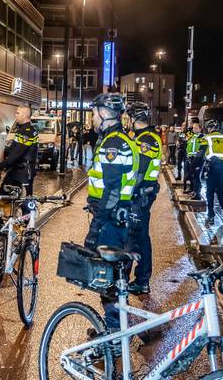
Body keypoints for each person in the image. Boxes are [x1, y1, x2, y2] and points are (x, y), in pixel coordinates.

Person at [83, 93, 139, 331]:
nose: (93, 118)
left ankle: (114, 335)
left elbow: (113, 191)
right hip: (118, 217)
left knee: (108, 280)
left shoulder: (113, 144)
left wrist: (95, 228)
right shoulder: (119, 139)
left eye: (94, 113)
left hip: (110, 222)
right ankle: (114, 329)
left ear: (104, 114)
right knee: (116, 279)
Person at [125, 102, 161, 295]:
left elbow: (139, 172)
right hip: (143, 195)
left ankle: (139, 280)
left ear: (133, 119)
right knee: (139, 237)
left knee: (134, 238)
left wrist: (126, 194)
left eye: (128, 118)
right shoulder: (143, 137)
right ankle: (141, 279)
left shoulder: (146, 139)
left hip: (140, 197)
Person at [0, 105, 38, 200]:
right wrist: (4, 155)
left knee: (25, 200)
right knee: (5, 197)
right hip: (17, 169)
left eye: (18, 113)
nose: (15, 115)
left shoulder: (27, 132)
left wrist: (2, 165)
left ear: (25, 115)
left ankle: (28, 214)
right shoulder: (22, 130)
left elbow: (18, 153)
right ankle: (11, 214)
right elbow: (14, 148)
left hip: (23, 171)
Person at [200, 119, 223, 222]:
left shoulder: (207, 138)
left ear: (209, 128)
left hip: (213, 167)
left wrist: (195, 168)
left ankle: (211, 215)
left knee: (210, 192)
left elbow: (200, 154)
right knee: (221, 191)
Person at [185, 121, 206, 199]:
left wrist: (198, 158)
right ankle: (193, 190)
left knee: (196, 176)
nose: (194, 129)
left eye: (196, 128)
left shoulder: (202, 137)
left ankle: (197, 194)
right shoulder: (193, 136)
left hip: (197, 159)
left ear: (200, 129)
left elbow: (203, 149)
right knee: (191, 176)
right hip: (190, 158)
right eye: (193, 128)